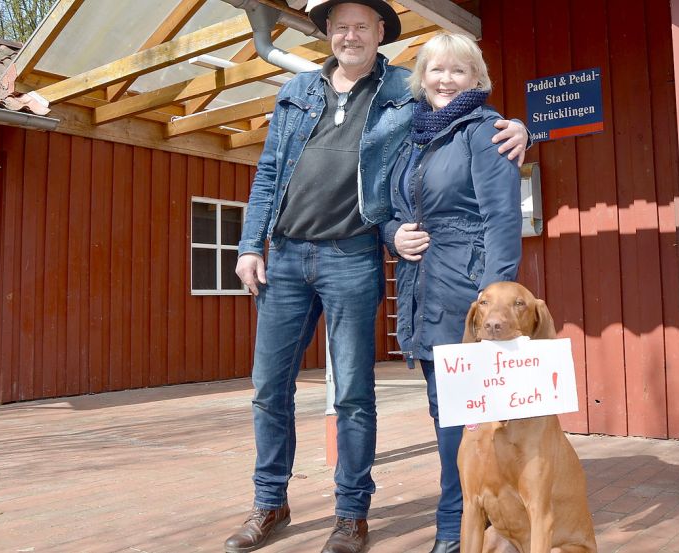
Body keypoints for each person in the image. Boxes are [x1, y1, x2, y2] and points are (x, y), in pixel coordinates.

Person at [225, 1, 529, 551]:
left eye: (361, 26)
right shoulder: (295, 94)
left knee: (353, 394)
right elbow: (269, 171)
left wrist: (523, 129)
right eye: (339, 27)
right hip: (287, 257)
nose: (349, 35)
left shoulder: (402, 92)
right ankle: (269, 502)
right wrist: (250, 245)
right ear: (327, 35)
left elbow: (460, 118)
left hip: (351, 258)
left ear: (381, 32)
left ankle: (351, 514)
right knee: (269, 388)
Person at [379, 33, 523, 553]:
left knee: (466, 415)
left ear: (476, 79)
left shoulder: (485, 131)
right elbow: (392, 209)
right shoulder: (413, 140)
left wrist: (495, 308)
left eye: (458, 70)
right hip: (423, 288)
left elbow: (502, 220)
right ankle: (474, 517)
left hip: (466, 291)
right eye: (436, 70)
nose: (445, 79)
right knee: (447, 413)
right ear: (421, 79)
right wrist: (395, 230)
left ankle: (455, 526)